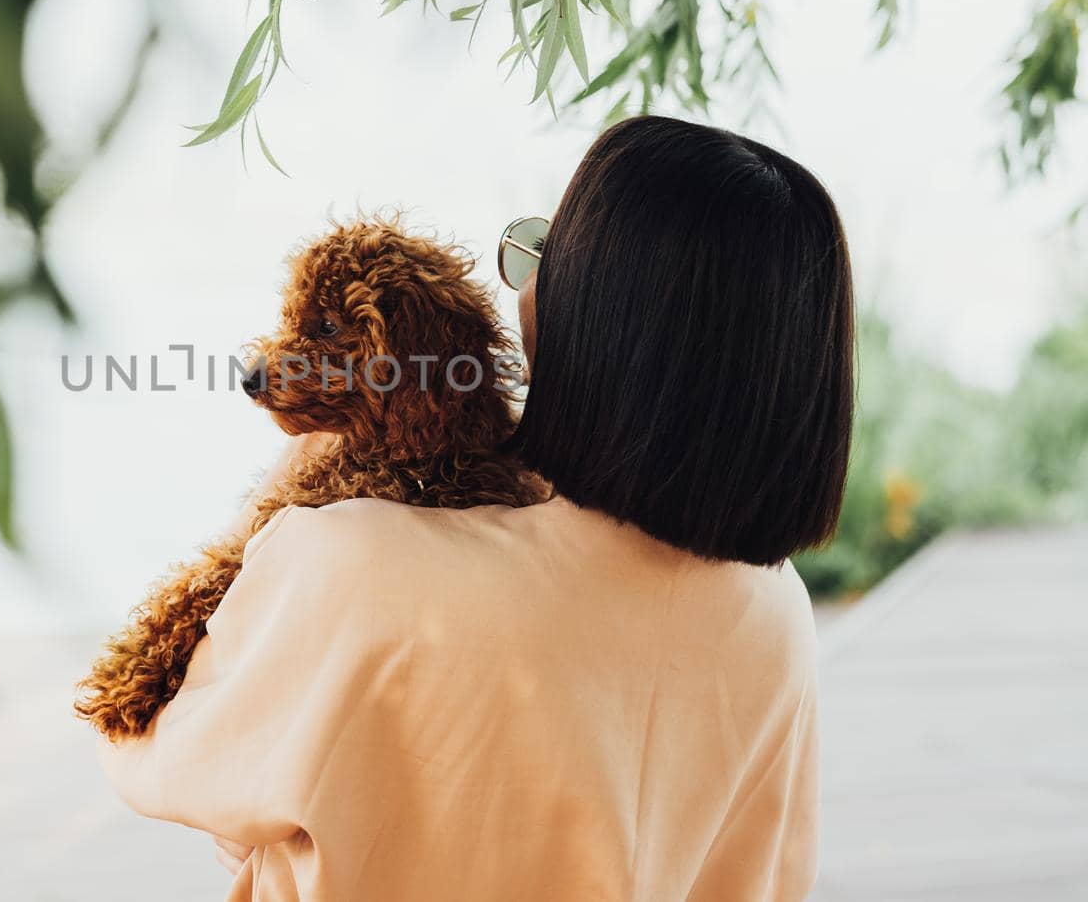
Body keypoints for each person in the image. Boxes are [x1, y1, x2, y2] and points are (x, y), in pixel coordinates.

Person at [97, 115, 854, 901]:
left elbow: (148, 736)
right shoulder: (776, 613)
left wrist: (305, 470)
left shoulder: (360, 555)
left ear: (602, 320)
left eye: (546, 255)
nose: (524, 283)